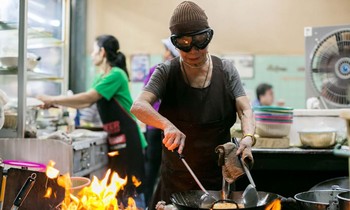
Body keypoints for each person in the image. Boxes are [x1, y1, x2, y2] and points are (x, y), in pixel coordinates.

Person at [130, 2, 255, 209]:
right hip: (176, 181)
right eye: (185, 43)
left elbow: (245, 108)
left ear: (208, 36)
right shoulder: (166, 72)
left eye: (200, 41)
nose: (194, 50)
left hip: (219, 181)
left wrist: (248, 136)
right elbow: (138, 106)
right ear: (175, 43)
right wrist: (167, 125)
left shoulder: (226, 70)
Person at [37, 35, 147, 207]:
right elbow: (85, 102)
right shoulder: (101, 76)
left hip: (129, 140)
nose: (91, 55)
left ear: (102, 52)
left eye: (94, 50)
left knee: (133, 189)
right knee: (118, 192)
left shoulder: (117, 75)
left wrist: (53, 99)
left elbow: (89, 98)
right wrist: (55, 104)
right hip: (116, 139)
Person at [143, 38, 179, 206]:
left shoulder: (178, 73)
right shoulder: (158, 70)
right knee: (155, 169)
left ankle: (159, 203)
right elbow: (144, 101)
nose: (164, 54)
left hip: (167, 129)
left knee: (162, 170)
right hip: (159, 127)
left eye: (167, 50)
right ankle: (149, 203)